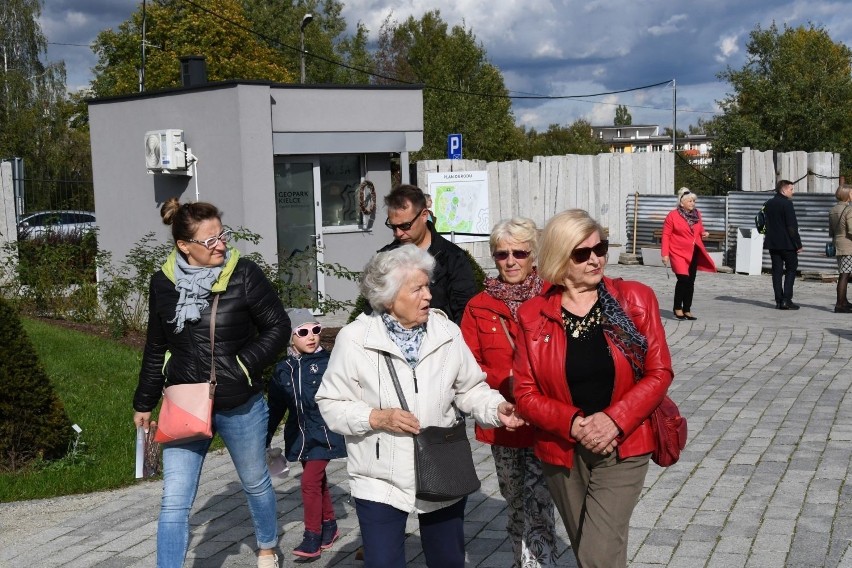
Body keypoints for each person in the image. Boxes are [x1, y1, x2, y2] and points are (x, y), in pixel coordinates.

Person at [315, 245, 525, 568]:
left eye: (428, 285)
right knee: (383, 562)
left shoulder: (446, 332)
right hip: (379, 477)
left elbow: (470, 388)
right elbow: (329, 402)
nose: (428, 295)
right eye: (417, 288)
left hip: (440, 465)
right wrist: (374, 417)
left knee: (448, 561)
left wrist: (497, 409)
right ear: (388, 297)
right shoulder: (355, 339)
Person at [133, 198, 290, 568]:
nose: (220, 244)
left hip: (240, 402)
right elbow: (156, 345)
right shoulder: (162, 282)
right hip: (185, 404)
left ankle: (267, 548)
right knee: (174, 500)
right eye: (209, 240)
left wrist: (243, 365)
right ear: (184, 246)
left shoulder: (244, 273)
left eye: (222, 235)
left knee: (255, 483)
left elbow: (278, 327)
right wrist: (144, 402)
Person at [513, 209, 674, 568]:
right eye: (582, 253)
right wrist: (572, 423)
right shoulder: (532, 315)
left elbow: (659, 372)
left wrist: (613, 420)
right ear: (559, 257)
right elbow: (524, 394)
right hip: (562, 448)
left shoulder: (633, 300)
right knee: (597, 550)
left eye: (600, 248)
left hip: (625, 442)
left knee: (597, 554)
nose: (596, 259)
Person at [460, 217, 557, 568]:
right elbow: (468, 367)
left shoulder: (553, 297)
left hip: (548, 419)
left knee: (541, 502)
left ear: (534, 255)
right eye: (502, 254)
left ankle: (539, 562)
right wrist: (504, 383)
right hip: (504, 420)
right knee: (515, 501)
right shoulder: (478, 306)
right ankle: (522, 559)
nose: (511, 261)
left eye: (520, 252)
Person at [266, 308, 346, 558]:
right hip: (300, 436)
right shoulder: (283, 370)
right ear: (291, 338)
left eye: (316, 330)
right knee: (318, 481)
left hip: (325, 432)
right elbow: (275, 408)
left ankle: (312, 535)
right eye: (303, 332)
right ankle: (330, 526)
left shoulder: (330, 362)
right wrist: (264, 440)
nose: (311, 336)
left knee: (310, 481)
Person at [379, 184, 477, 324]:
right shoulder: (386, 258)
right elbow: (373, 310)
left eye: (405, 226)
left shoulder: (453, 258)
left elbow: (465, 314)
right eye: (393, 227)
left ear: (424, 215)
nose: (398, 233)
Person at [661, 187, 717, 320]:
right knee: (683, 279)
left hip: (693, 251)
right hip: (677, 252)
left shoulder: (697, 214)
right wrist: (665, 253)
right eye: (690, 201)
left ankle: (687, 309)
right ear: (682, 203)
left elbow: (700, 228)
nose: (693, 203)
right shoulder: (672, 215)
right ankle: (677, 307)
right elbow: (666, 235)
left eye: (693, 201)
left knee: (690, 281)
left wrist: (704, 233)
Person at [763, 179, 803, 310]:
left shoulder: (768, 203)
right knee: (791, 269)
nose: (793, 192)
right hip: (787, 244)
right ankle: (786, 300)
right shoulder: (787, 204)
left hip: (773, 243)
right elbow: (791, 227)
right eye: (791, 189)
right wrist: (798, 244)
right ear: (783, 190)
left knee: (777, 271)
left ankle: (778, 300)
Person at [829, 183, 852, 313]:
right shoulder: (849, 210)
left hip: (838, 244)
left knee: (844, 272)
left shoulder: (833, 210)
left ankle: (844, 301)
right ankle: (840, 304)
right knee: (845, 275)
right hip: (848, 245)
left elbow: (831, 231)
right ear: (847, 194)